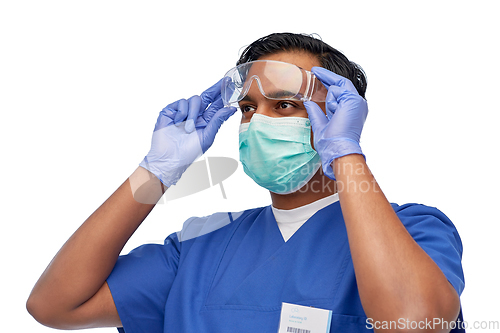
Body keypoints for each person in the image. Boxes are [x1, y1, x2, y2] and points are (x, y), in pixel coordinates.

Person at [27, 33, 465, 332]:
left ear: (337, 116)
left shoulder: (414, 229)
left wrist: (346, 153)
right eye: (248, 108)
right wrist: (155, 172)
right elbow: (55, 305)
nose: (257, 123)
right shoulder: (199, 245)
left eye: (286, 105)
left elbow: (414, 323)